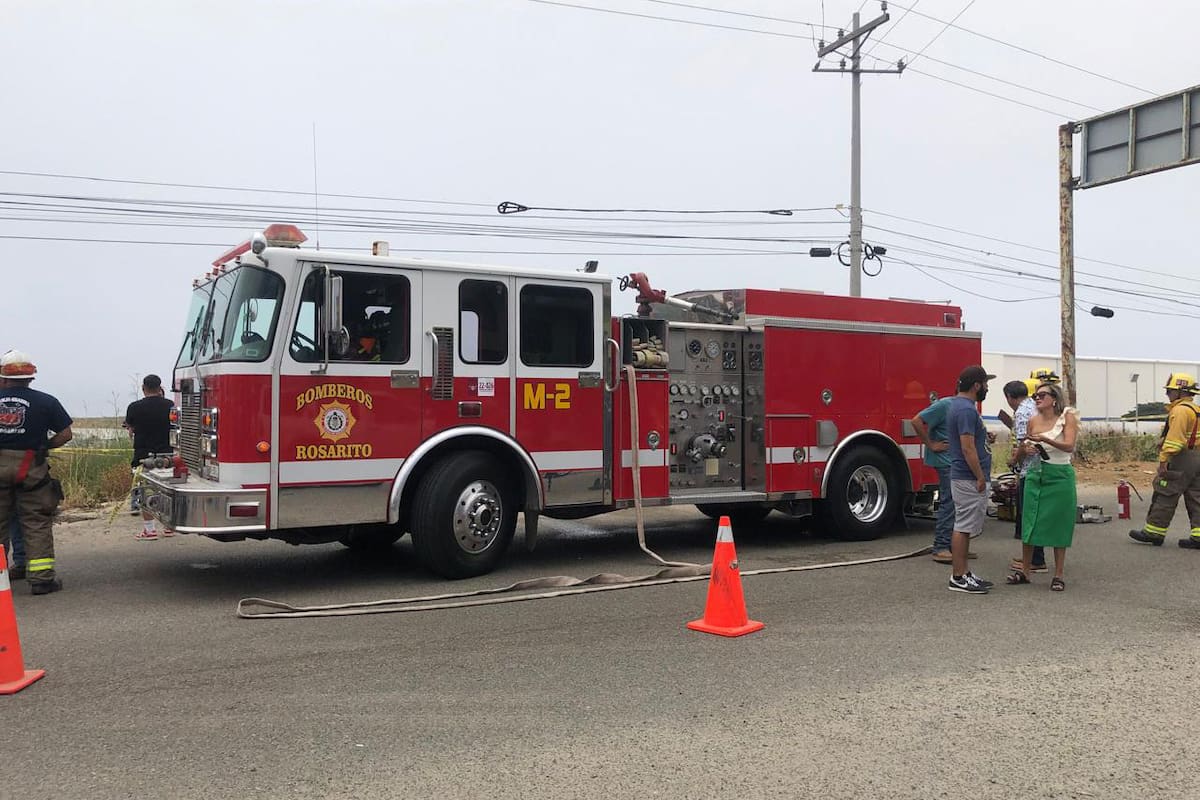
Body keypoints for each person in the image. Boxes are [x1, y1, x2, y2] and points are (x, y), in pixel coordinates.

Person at [0, 350, 72, 595]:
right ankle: (41, 580)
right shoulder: (46, 401)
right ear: (31, 377)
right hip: (31, 469)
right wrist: (44, 447)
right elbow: (65, 434)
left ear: (3, 376)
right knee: (36, 522)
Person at [1008, 382, 1078, 591]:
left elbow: (1069, 445)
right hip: (1035, 474)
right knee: (1029, 520)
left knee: (1059, 523)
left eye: (1042, 395)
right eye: (1035, 396)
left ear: (1054, 399)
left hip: (1059, 475)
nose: (1037, 399)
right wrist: (1024, 452)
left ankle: (1058, 575)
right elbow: (1023, 445)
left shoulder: (1067, 417)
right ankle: (1025, 571)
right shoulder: (1032, 420)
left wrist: (1046, 440)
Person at [1128, 373, 1200, 548]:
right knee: (1196, 496)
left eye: (1170, 391)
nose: (1167, 394)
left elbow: (1175, 440)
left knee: (1166, 492)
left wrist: (1163, 461)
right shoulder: (1196, 410)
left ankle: (1154, 532)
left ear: (1180, 392)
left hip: (1183, 457)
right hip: (1197, 457)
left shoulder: (1180, 411)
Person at [945, 365, 996, 594]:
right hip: (967, 477)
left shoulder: (958, 406)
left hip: (964, 476)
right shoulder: (966, 409)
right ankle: (958, 576)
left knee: (964, 526)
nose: (986, 388)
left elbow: (971, 441)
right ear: (976, 385)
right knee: (963, 526)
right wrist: (979, 476)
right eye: (985, 384)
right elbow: (967, 447)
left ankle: (964, 572)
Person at [1002, 380, 1047, 574]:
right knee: (1034, 514)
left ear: (1010, 398)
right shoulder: (1035, 406)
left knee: (1029, 516)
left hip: (1030, 470)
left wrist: (1013, 461)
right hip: (1044, 467)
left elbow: (1024, 445)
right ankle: (1032, 556)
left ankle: (1036, 560)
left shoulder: (1021, 412)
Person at [124, 374, 175, 540]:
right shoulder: (170, 405)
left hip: (142, 455)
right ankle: (169, 527)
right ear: (160, 388)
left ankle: (149, 529)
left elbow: (130, 428)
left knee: (145, 490)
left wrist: (132, 429)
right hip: (167, 454)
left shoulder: (134, 407)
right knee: (167, 490)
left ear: (143, 388)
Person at [911, 395, 956, 564]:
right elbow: (916, 421)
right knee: (949, 502)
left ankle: (954, 545)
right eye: (984, 385)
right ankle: (941, 547)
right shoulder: (945, 405)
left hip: (956, 461)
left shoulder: (966, 407)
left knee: (956, 503)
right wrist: (931, 445)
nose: (987, 389)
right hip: (946, 461)